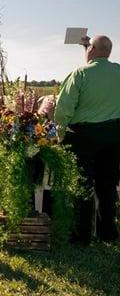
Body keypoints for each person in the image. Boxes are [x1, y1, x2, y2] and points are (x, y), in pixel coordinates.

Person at [55, 35, 120, 243]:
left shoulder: (80, 73)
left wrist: (60, 132)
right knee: (108, 185)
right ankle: (107, 233)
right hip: (114, 134)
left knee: (83, 184)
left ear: (91, 49)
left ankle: (82, 234)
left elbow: (63, 109)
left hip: (84, 136)